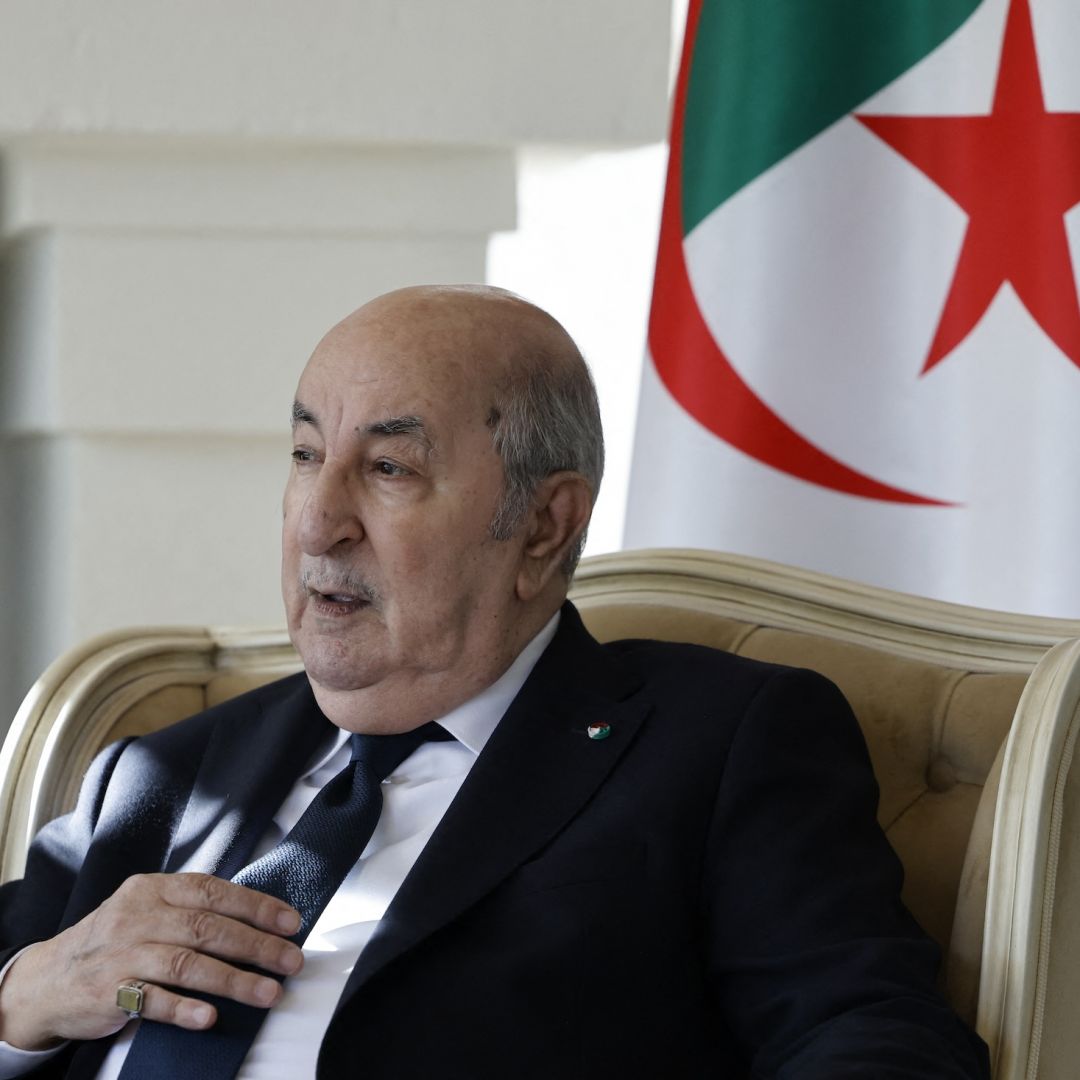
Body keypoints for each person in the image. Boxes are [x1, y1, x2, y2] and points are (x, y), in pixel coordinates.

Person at [0, 285, 988, 1078]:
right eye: (307, 455)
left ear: (545, 526)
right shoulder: (164, 772)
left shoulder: (720, 746)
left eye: (387, 468)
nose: (316, 521)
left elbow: (874, 1040)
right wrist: (28, 996)